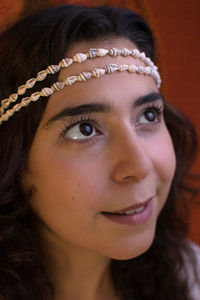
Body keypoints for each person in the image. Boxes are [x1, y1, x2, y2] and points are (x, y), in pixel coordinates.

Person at [0, 4, 199, 300]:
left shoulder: (190, 277)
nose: (140, 166)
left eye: (148, 116)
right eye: (84, 129)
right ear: (14, 161)